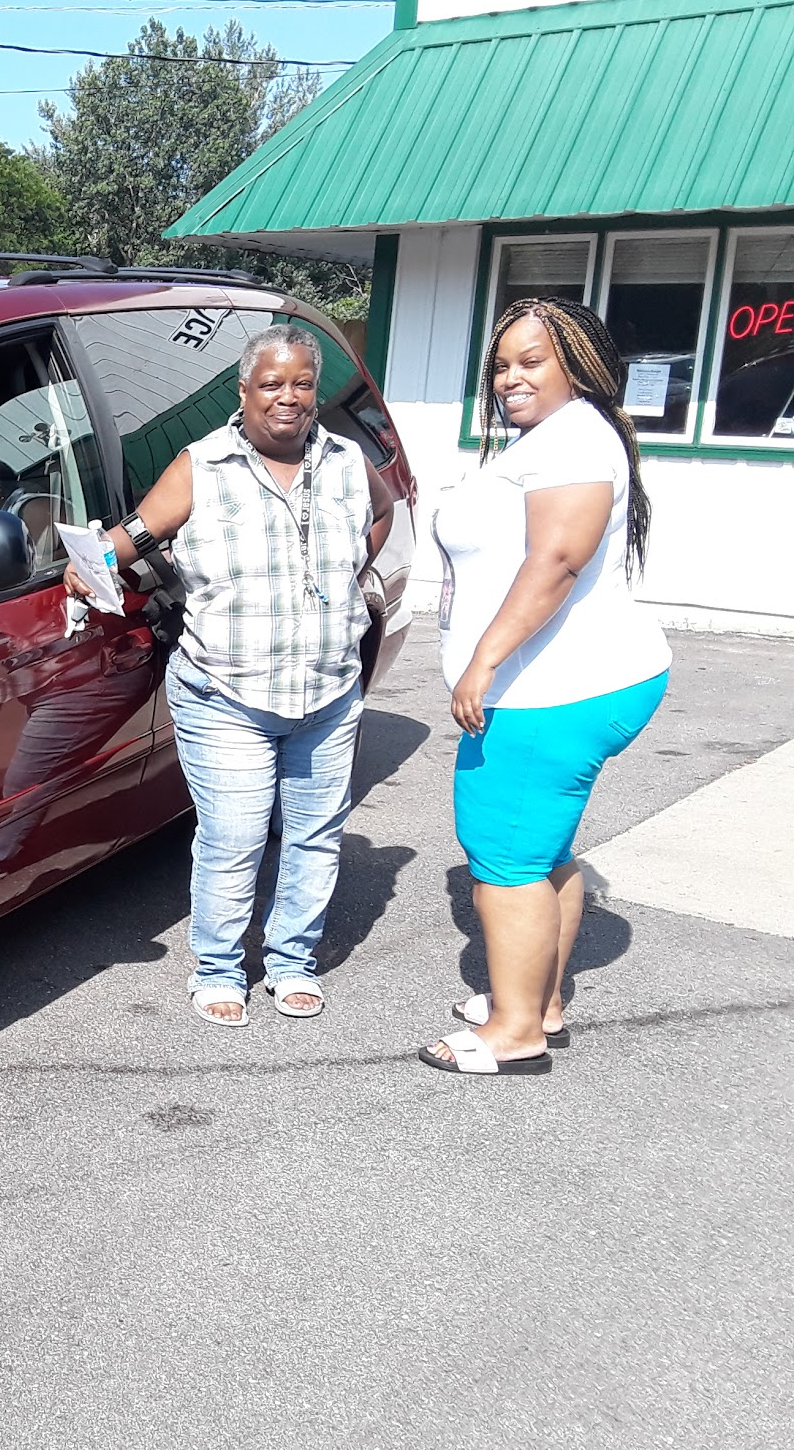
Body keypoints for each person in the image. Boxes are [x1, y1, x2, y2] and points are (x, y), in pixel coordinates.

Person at [69, 324, 394, 1026]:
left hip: (328, 689)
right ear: (244, 391)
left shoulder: (345, 459)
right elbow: (137, 536)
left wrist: (346, 575)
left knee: (314, 836)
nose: (288, 397)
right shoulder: (203, 464)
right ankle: (219, 967)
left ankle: (293, 961)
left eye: (302, 383)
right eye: (271, 384)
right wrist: (88, 562)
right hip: (226, 694)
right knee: (235, 836)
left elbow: (382, 512)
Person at [420, 298, 671, 1076]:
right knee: (544, 850)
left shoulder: (572, 441)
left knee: (504, 857)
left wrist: (485, 660)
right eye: (501, 366)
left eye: (532, 361)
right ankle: (541, 1002)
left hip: (549, 692)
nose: (511, 379)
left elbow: (557, 560)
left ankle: (516, 1032)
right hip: (574, 682)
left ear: (579, 366)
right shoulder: (563, 437)